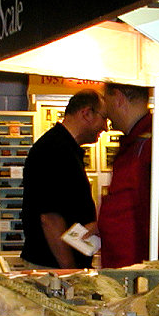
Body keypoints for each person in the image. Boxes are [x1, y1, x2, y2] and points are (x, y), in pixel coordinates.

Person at [97, 83, 159, 268]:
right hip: (127, 270)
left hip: (142, 273)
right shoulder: (138, 145)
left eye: (106, 101)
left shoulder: (157, 147)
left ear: (118, 99)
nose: (105, 112)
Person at [20, 89, 107, 268]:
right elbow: (50, 218)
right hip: (54, 268)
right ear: (86, 113)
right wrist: (70, 271)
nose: (105, 127)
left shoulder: (65, 148)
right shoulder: (54, 150)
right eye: (104, 118)